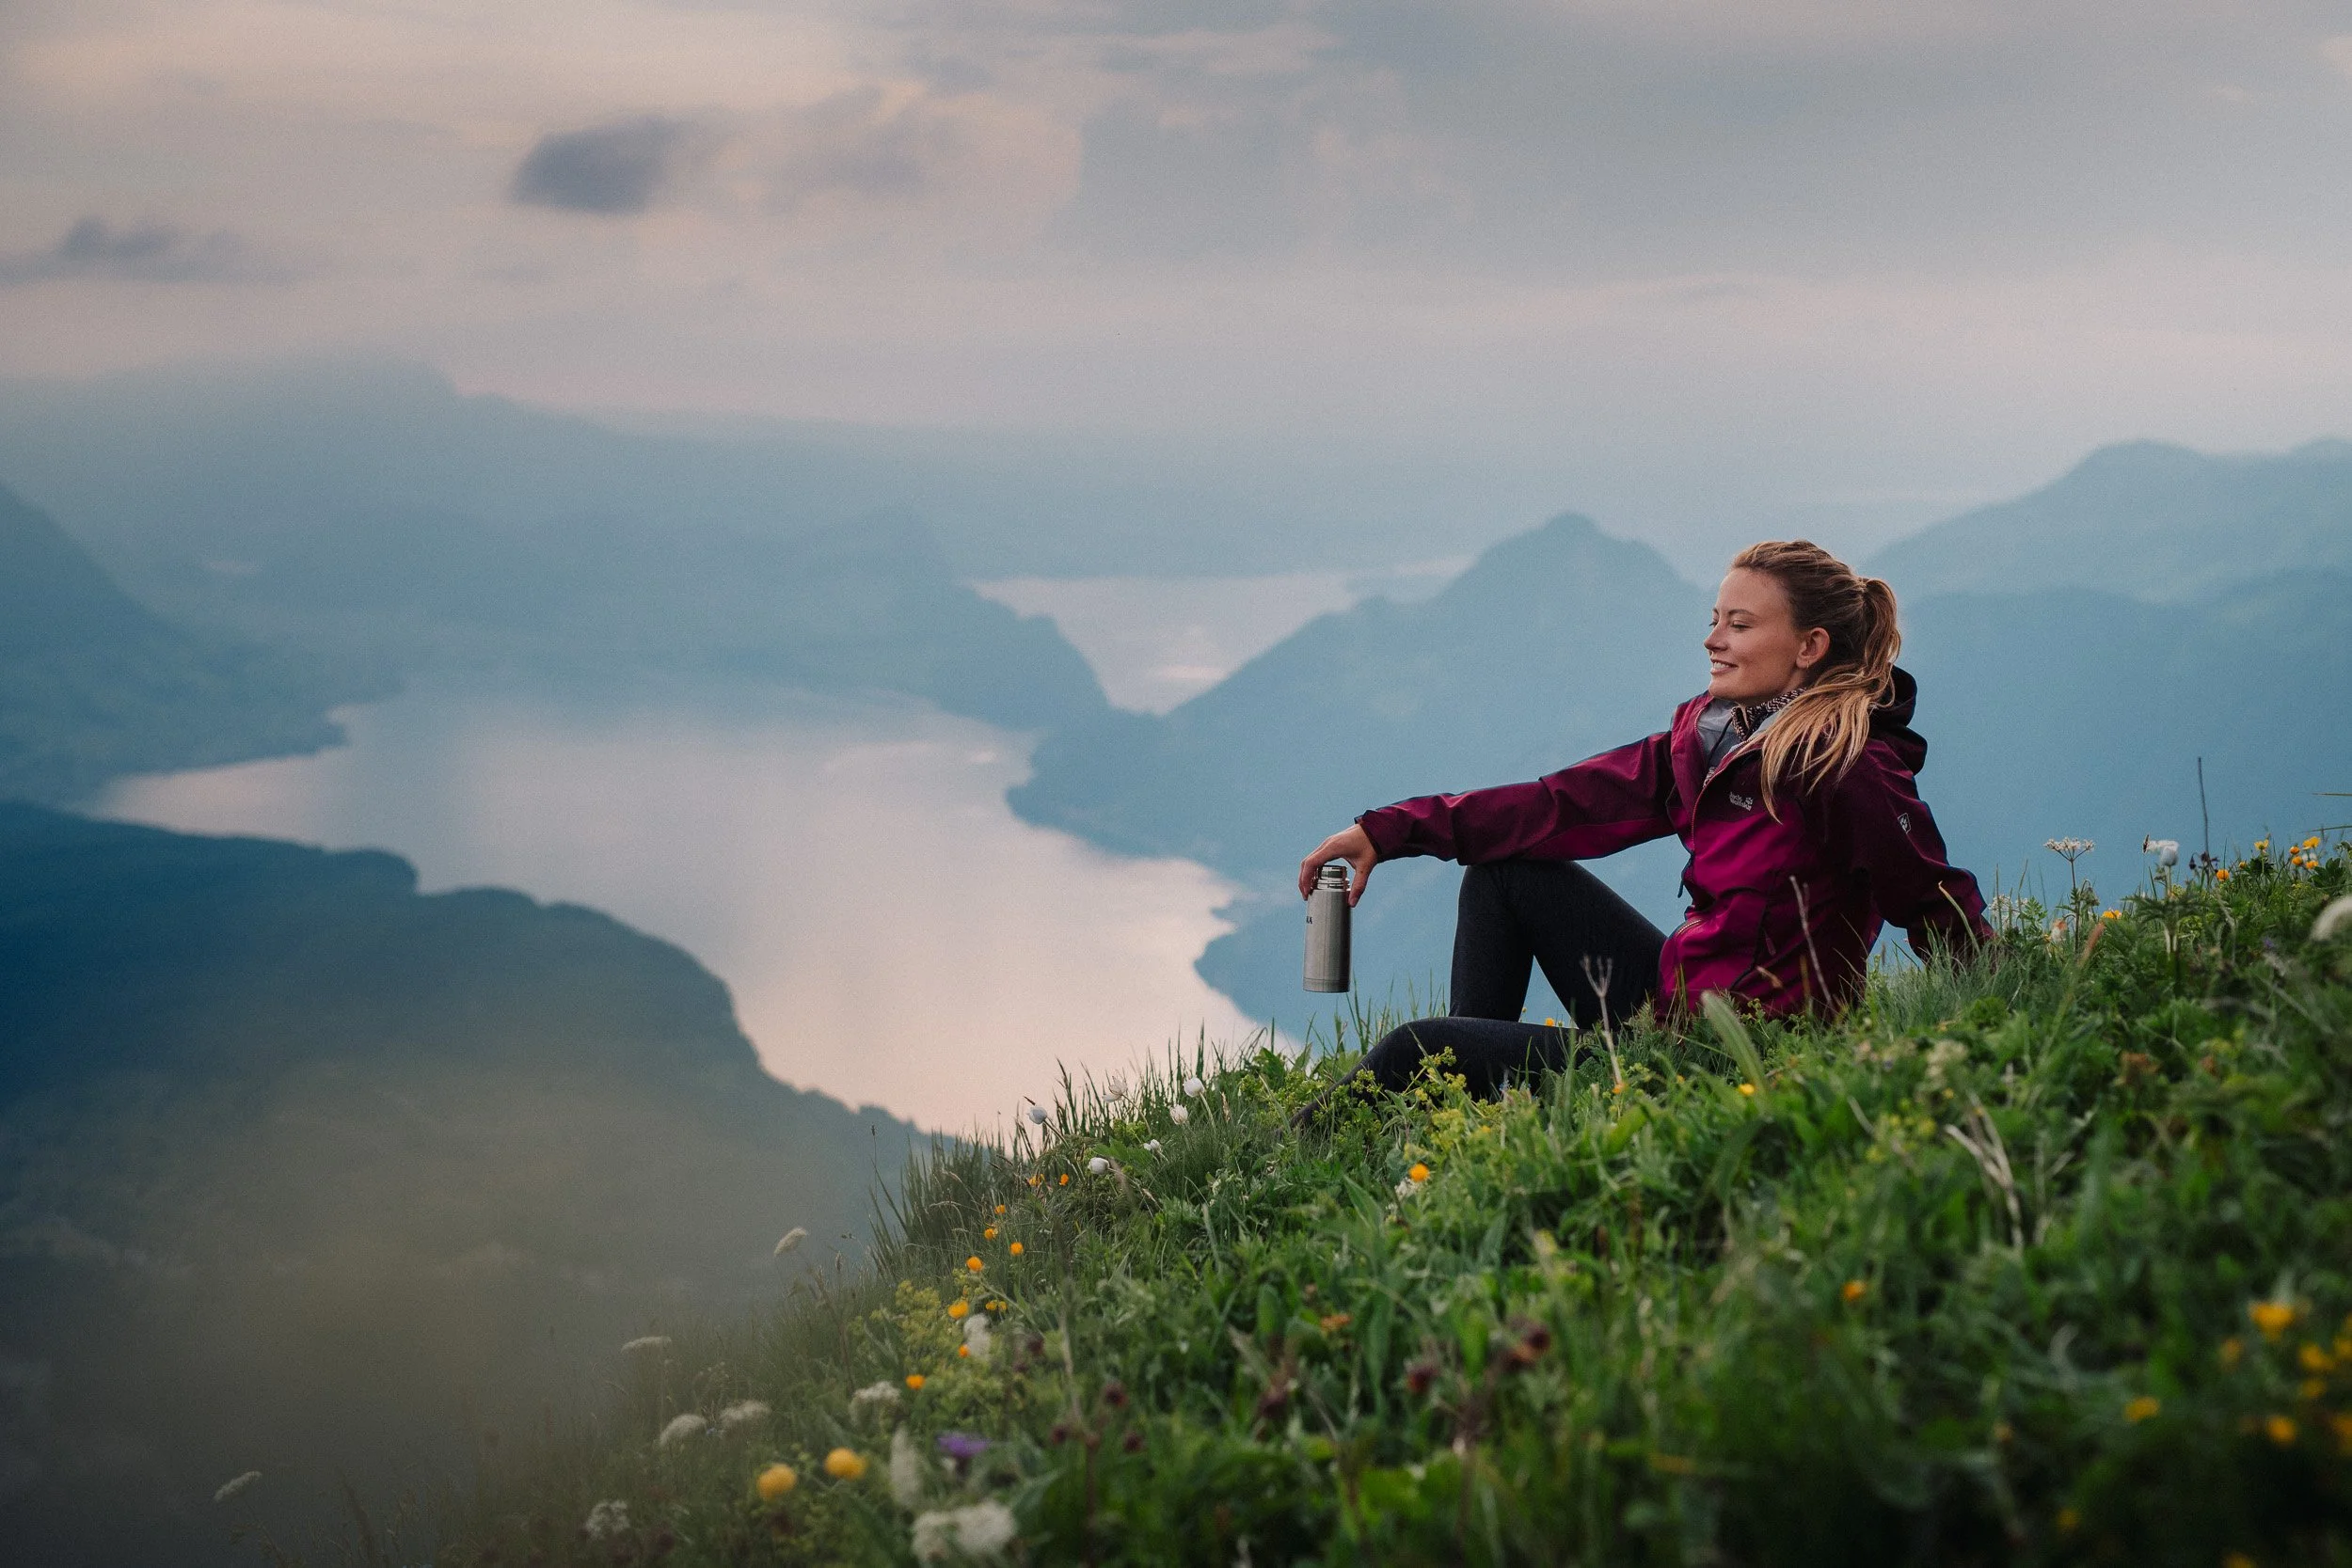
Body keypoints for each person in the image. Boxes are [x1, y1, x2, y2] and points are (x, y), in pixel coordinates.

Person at [1296, 539, 1991, 1101]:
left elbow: (1937, 904)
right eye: (1715, 618)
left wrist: (2010, 1022)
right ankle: (1460, 1109)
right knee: (1504, 872)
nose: (1713, 640)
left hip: (1727, 1065)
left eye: (1740, 625)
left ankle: (1295, 1159)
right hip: (1673, 1011)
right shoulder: (1713, 741)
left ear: (1809, 647)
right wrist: (1389, 831)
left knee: (1413, 1049)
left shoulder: (1847, 768)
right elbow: (1555, 806)